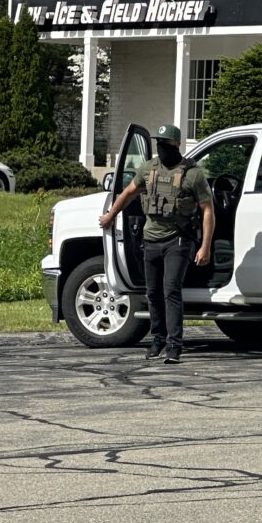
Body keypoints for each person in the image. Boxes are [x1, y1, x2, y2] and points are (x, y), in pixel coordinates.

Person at [99, 124, 213, 364]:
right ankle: (157, 340)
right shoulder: (149, 169)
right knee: (152, 293)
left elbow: (207, 210)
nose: (161, 148)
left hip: (178, 240)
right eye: (158, 143)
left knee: (171, 290)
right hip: (150, 240)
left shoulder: (192, 173)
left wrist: (205, 246)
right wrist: (111, 215)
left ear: (176, 145)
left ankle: (174, 345)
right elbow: (129, 192)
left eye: (166, 144)